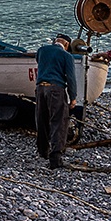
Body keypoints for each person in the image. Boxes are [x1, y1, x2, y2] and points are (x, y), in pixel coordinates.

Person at [35, 33, 77, 169]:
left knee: (41, 120)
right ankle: (55, 158)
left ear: (55, 41)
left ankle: (42, 151)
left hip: (40, 89)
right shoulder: (67, 56)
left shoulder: (42, 50)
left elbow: (39, 63)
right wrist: (73, 98)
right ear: (66, 45)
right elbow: (71, 78)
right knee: (58, 121)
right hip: (56, 90)